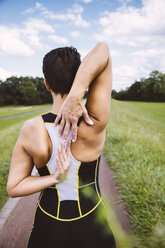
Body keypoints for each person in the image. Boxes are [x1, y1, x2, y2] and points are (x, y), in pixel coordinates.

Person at [7, 43, 116, 247]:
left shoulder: (30, 129)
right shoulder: (94, 121)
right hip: (92, 225)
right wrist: (77, 93)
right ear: (78, 77)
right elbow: (103, 50)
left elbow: (14, 187)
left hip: (48, 226)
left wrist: (55, 178)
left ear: (46, 84)